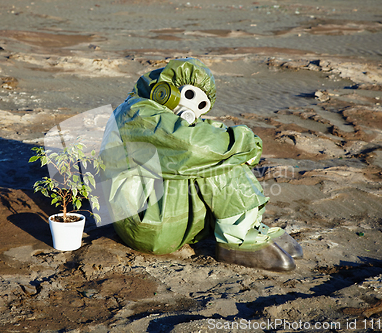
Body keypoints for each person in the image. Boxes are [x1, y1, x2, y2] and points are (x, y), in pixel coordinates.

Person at [98, 58, 302, 271]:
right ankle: (237, 238)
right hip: (146, 221)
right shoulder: (138, 112)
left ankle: (248, 225)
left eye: (201, 104)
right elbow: (192, 146)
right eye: (189, 95)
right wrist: (247, 144)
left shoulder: (153, 113)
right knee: (213, 158)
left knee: (221, 148)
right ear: (164, 90)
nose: (192, 107)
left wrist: (239, 144)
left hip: (156, 213)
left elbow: (206, 131)